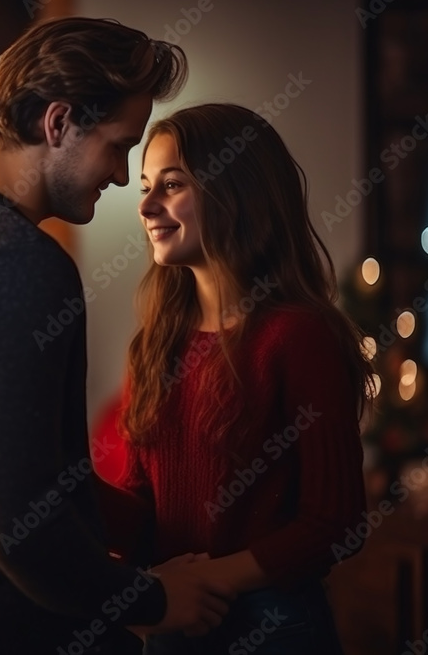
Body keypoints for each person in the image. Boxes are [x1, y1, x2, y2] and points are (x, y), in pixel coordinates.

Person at [0, 17, 235, 654]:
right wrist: (157, 599)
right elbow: (25, 529)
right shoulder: (24, 264)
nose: (119, 175)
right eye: (116, 145)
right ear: (57, 123)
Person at [114, 102, 375, 654]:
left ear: (236, 191)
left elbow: (335, 520)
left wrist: (206, 580)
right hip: (172, 620)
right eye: (145, 186)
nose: (146, 205)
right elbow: (142, 509)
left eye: (172, 184)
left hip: (271, 625)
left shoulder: (298, 335)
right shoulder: (155, 343)